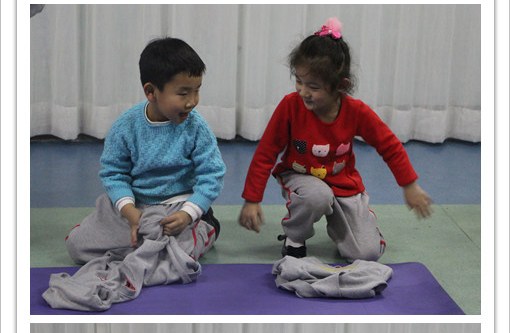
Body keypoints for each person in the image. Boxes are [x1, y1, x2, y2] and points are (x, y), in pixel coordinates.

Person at [239, 17, 432, 261]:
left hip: (343, 183)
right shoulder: (290, 106)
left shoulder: (356, 111)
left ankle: (359, 228)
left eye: (313, 87)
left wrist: (409, 185)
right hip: (300, 176)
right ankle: (295, 237)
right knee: (317, 196)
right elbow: (266, 152)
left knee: (366, 254)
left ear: (341, 85)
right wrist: (252, 199)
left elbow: (389, 145)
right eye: (298, 81)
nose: (303, 91)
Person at [66, 36, 226, 265]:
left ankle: (203, 228)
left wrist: (188, 213)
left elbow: (212, 174)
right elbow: (114, 173)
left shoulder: (197, 126)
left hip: (178, 206)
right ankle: (147, 243)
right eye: (183, 93)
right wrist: (129, 211)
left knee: (176, 255)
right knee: (78, 244)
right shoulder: (126, 126)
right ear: (151, 91)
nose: (192, 101)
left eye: (197, 90)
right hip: (137, 206)